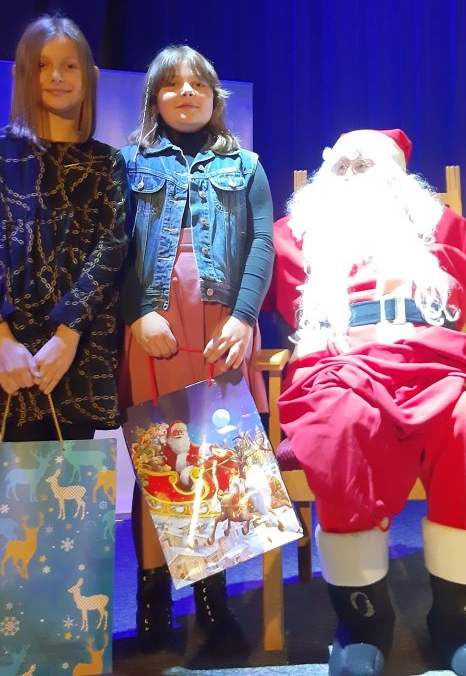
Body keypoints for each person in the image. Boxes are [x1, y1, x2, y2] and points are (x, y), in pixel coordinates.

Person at [269, 129, 466, 676]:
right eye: (342, 166)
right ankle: (363, 620)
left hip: (440, 366)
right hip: (338, 370)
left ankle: (461, 620)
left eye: (366, 166)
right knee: (338, 429)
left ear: (397, 179)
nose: (352, 176)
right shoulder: (293, 234)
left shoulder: (437, 226)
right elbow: (238, 288)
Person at [117, 45, 274, 654]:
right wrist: (137, 313)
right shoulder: (128, 162)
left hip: (221, 328)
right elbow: (113, 244)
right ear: (154, 98)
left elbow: (261, 243)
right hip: (154, 328)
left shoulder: (247, 165)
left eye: (198, 84)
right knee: (159, 459)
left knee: (217, 460)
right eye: (172, 85)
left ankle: (213, 599)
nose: (186, 93)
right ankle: (153, 600)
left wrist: (243, 317)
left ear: (214, 97)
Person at [0, 14, 127, 443]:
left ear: (89, 75)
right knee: (15, 479)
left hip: (78, 347)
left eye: (69, 65)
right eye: (42, 65)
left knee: (76, 476)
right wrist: (0, 338)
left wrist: (67, 336)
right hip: (11, 348)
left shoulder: (108, 163)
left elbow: (111, 248)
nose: (56, 76)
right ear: (23, 74)